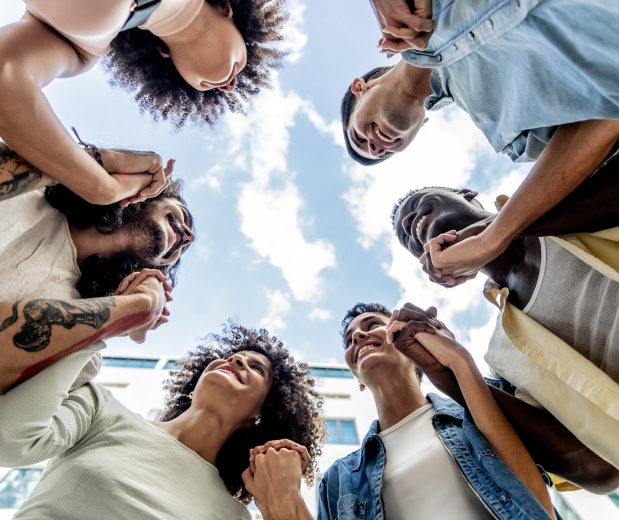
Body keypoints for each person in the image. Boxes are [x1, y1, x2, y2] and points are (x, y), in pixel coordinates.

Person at [342, 0, 619, 281]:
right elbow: (610, 113)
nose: (375, 147)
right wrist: (491, 238)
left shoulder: (415, 8)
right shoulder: (510, 135)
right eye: (380, 154)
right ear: (419, 129)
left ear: (360, 88)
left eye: (359, 136)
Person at [392, 180, 619, 467]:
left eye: (415, 205)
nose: (410, 223)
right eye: (405, 237)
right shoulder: (504, 357)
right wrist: (446, 372)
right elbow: (597, 468)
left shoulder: (564, 190)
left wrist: (492, 233)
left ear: (468, 196)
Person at [0, 322, 325, 519]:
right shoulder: (102, 409)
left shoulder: (233, 514)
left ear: (262, 413)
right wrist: (87, 346)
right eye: (231, 357)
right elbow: (10, 440)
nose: (236, 359)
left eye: (257, 369)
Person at [0, 0, 286, 204]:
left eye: (211, 92)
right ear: (226, 8)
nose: (230, 86)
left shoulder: (81, 47)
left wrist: (103, 189)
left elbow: (5, 75)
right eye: (244, 62)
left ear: (164, 55)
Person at [318, 302, 560, 519]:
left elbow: (538, 507)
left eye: (372, 325)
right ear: (356, 377)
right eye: (349, 340)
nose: (358, 336)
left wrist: (458, 359)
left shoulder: (477, 410)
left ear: (405, 341)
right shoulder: (338, 481)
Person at [0, 143, 195, 390]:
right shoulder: (33, 186)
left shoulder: (84, 351)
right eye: (183, 216)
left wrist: (136, 308)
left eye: (180, 251)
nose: (189, 237)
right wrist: (104, 166)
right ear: (150, 194)